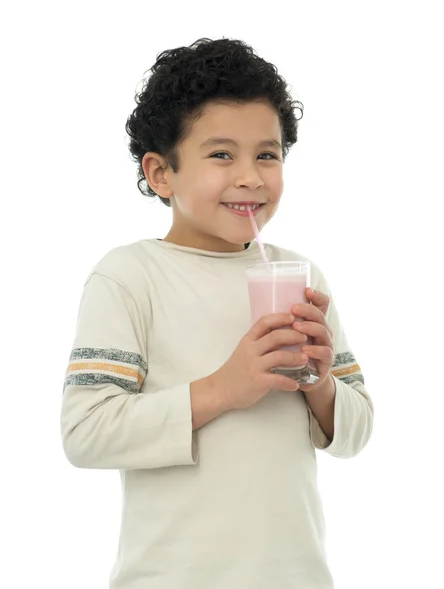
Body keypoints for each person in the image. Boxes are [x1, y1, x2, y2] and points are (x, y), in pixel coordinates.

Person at [60, 37, 374, 589]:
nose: (251, 176)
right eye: (221, 154)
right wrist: (226, 387)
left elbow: (357, 430)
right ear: (161, 174)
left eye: (268, 154)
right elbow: (86, 433)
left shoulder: (300, 276)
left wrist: (321, 385)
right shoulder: (130, 277)